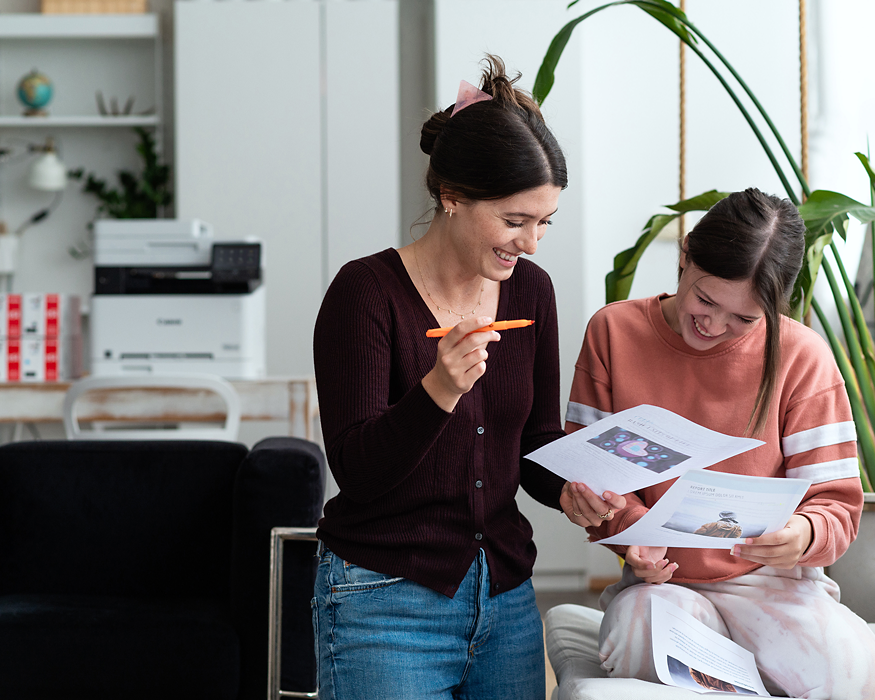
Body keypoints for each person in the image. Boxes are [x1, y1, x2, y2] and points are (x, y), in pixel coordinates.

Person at [312, 55, 597, 700]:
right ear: (453, 197)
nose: (530, 243)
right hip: (384, 599)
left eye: (544, 221)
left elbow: (533, 444)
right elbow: (358, 473)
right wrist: (439, 390)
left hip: (504, 599)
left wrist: (572, 491)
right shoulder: (365, 293)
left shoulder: (531, 291)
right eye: (514, 221)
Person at [562, 188, 875, 699]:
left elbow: (837, 506)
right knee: (635, 638)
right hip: (660, 587)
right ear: (684, 256)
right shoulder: (613, 332)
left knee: (850, 669)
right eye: (706, 299)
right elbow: (593, 479)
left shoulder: (803, 357)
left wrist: (801, 534)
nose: (713, 324)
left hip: (772, 584)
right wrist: (626, 533)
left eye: (745, 319)